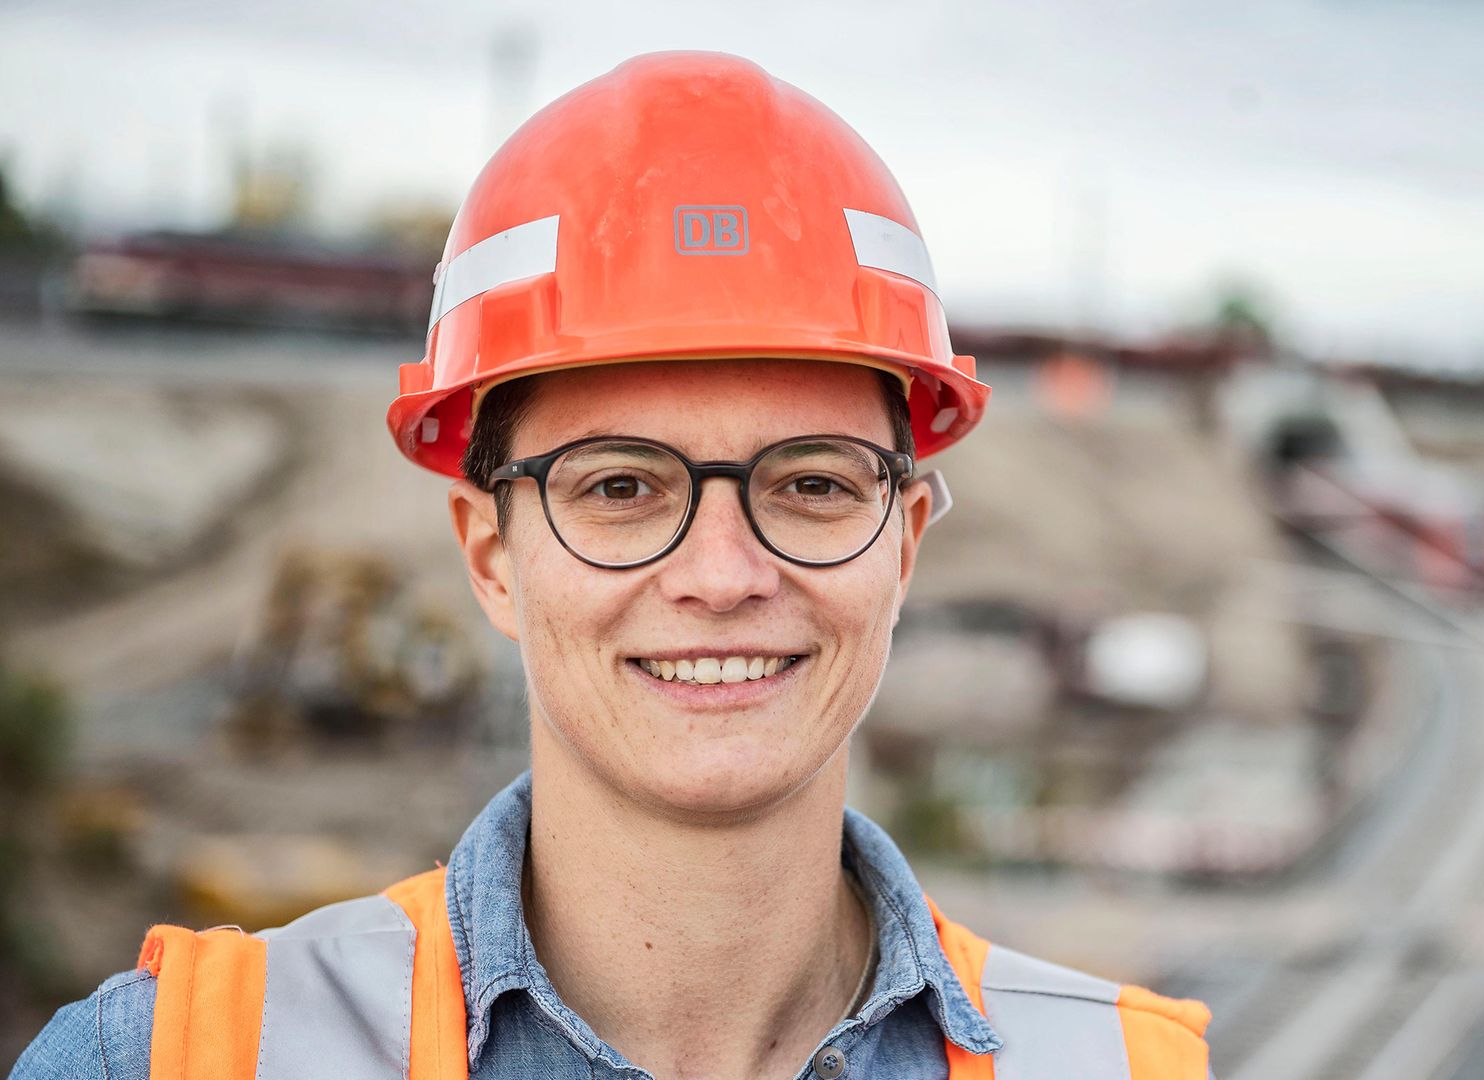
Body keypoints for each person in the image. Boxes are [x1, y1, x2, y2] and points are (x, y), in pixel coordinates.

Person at [10, 51, 1211, 1080]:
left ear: (903, 545)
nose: (726, 572)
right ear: (490, 555)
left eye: (813, 483)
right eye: (623, 488)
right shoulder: (178, 1060)